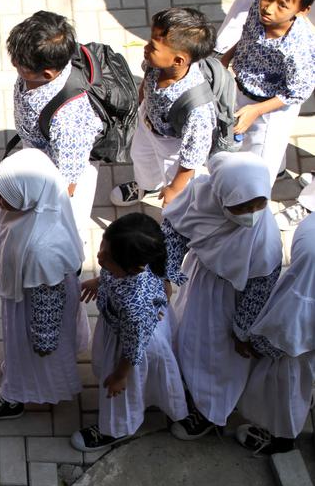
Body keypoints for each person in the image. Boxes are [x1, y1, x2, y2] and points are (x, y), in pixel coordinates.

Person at [0, 149, 88, 423]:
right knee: (20, 348)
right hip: (26, 294)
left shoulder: (45, 250)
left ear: (29, 195)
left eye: (5, 194)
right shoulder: (34, 205)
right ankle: (20, 377)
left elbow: (47, 304)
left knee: (30, 349)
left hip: (37, 309)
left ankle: (12, 398)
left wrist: (44, 338)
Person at [162, 152, 283, 440]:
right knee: (190, 337)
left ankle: (211, 412)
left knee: (218, 357)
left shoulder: (265, 240)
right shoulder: (199, 195)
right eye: (241, 206)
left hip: (231, 299)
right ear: (220, 195)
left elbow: (260, 288)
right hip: (200, 279)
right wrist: (166, 275)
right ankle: (189, 388)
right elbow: (175, 230)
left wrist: (241, 331)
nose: (251, 214)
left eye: (258, 204)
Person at [71, 214, 188, 453]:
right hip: (131, 331)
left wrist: (120, 375)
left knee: (123, 392)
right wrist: (100, 281)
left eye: (107, 257)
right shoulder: (137, 262)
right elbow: (115, 273)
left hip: (131, 345)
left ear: (133, 267)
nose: (99, 256)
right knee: (148, 379)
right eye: (102, 246)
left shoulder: (134, 307)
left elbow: (133, 350)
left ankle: (116, 428)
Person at [220, 0, 315, 185]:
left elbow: (297, 93)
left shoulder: (298, 47)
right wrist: (224, 60)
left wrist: (256, 110)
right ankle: (278, 168)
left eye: (282, 5)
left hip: (271, 110)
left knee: (259, 169)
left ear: (303, 10)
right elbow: (246, 38)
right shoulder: (257, 9)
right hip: (243, 91)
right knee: (250, 146)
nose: (269, 8)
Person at [6, 11, 103, 234]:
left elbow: (68, 183)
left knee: (68, 225)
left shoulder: (69, 120)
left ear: (48, 74)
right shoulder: (37, 69)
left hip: (65, 167)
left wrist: (48, 207)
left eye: (20, 64)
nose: (14, 63)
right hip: (40, 147)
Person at [110, 8, 218, 207]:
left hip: (172, 145)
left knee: (175, 185)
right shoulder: (157, 62)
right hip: (147, 123)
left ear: (178, 60)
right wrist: (140, 100)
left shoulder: (197, 108)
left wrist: (175, 189)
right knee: (141, 158)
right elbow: (146, 81)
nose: (146, 47)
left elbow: (192, 156)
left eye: (153, 46)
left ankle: (179, 209)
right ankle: (147, 186)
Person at [235, 214, 315, 455]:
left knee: (286, 390)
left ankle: (281, 439)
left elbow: (288, 329)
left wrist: (256, 344)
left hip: (294, 352)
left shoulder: (308, 270)